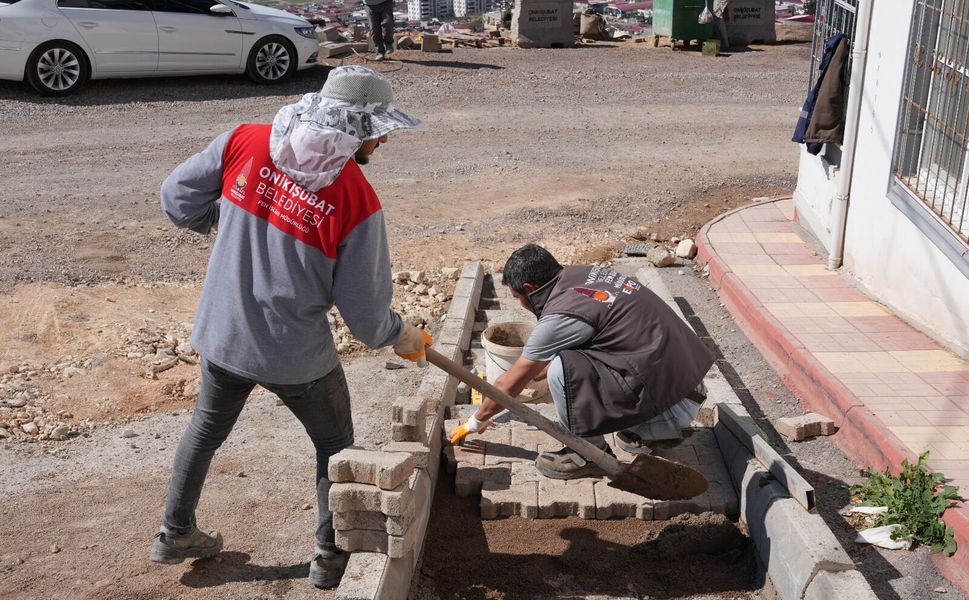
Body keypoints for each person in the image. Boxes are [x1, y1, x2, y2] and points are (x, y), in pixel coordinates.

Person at [150, 65, 431, 589]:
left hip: (224, 333)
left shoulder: (246, 141)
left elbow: (176, 197)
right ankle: (327, 556)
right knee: (334, 443)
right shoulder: (355, 199)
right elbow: (366, 317)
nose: (385, 138)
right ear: (354, 128)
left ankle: (174, 531)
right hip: (294, 354)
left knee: (205, 430)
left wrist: (227, 221)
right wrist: (402, 333)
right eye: (377, 130)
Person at [449, 244, 715, 479]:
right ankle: (641, 431)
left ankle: (588, 454)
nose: (520, 304)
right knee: (560, 366)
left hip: (671, 411)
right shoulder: (582, 276)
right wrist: (530, 374)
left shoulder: (562, 315)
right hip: (688, 389)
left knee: (562, 371)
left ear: (530, 289)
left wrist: (476, 421)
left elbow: (509, 384)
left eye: (518, 298)